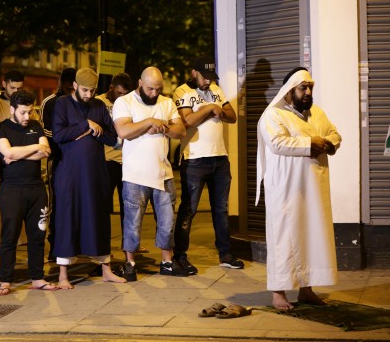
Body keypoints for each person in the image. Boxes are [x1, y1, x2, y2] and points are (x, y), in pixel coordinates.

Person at [256, 67, 342, 310]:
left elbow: (333, 134)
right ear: (289, 90)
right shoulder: (273, 115)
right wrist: (310, 142)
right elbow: (277, 143)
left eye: (310, 87)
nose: (307, 92)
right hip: (286, 191)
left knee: (311, 237)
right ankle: (278, 293)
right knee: (284, 239)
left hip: (314, 189)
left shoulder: (316, 114)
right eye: (302, 88)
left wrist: (329, 143)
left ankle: (307, 290)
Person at [52, 68, 126, 289]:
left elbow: (113, 139)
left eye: (93, 90)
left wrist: (98, 129)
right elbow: (58, 135)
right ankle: (63, 275)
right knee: (68, 217)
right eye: (85, 90)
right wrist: (85, 125)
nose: (89, 94)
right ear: (75, 86)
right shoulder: (62, 104)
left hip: (95, 172)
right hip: (69, 174)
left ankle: (106, 269)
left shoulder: (99, 106)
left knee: (99, 216)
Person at [112, 66, 187, 282]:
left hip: (163, 173)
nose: (154, 93)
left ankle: (166, 262)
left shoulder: (166, 102)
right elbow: (124, 131)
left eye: (157, 89)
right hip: (135, 175)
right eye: (150, 89)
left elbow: (180, 131)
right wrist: (149, 123)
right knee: (132, 222)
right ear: (140, 83)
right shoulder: (124, 102)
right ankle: (130, 263)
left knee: (166, 221)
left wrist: (160, 127)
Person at [171, 56, 244, 275]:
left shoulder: (216, 90)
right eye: (205, 77)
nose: (208, 81)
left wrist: (218, 109)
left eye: (212, 77)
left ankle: (225, 254)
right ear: (194, 73)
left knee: (221, 210)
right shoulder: (182, 92)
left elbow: (231, 116)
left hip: (220, 159)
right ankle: (180, 256)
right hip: (194, 160)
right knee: (189, 209)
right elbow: (187, 121)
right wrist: (211, 108)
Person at [0, 90, 57, 294]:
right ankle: (5, 280)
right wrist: (32, 148)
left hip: (37, 189)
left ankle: (37, 277)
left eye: (30, 112)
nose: (27, 117)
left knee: (37, 235)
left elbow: (45, 151)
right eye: (23, 112)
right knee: (9, 236)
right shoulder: (1, 128)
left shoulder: (36, 126)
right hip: (11, 189)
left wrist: (17, 153)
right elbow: (7, 152)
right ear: (12, 109)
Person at [96, 73, 142, 252]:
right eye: (119, 93)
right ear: (111, 88)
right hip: (107, 161)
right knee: (104, 206)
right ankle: (102, 245)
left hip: (128, 161)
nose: (122, 97)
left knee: (129, 207)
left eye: (125, 93)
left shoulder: (130, 102)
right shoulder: (99, 102)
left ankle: (129, 244)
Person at [0, 70, 25, 261]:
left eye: (19, 88)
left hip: (20, 159)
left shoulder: (22, 103)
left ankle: (17, 243)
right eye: (12, 88)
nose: (16, 91)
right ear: (4, 84)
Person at [40, 68, 76, 262]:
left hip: (77, 160)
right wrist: (68, 137)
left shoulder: (79, 102)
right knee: (57, 204)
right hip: (59, 159)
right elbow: (45, 130)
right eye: (68, 87)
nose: (71, 90)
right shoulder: (50, 102)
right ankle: (54, 246)